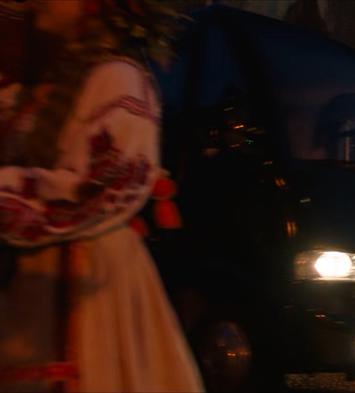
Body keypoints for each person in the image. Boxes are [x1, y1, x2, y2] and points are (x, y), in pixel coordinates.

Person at [0, 1, 203, 392]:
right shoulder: (51, 82)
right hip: (35, 281)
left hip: (86, 279)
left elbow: (100, 189)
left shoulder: (118, 79)